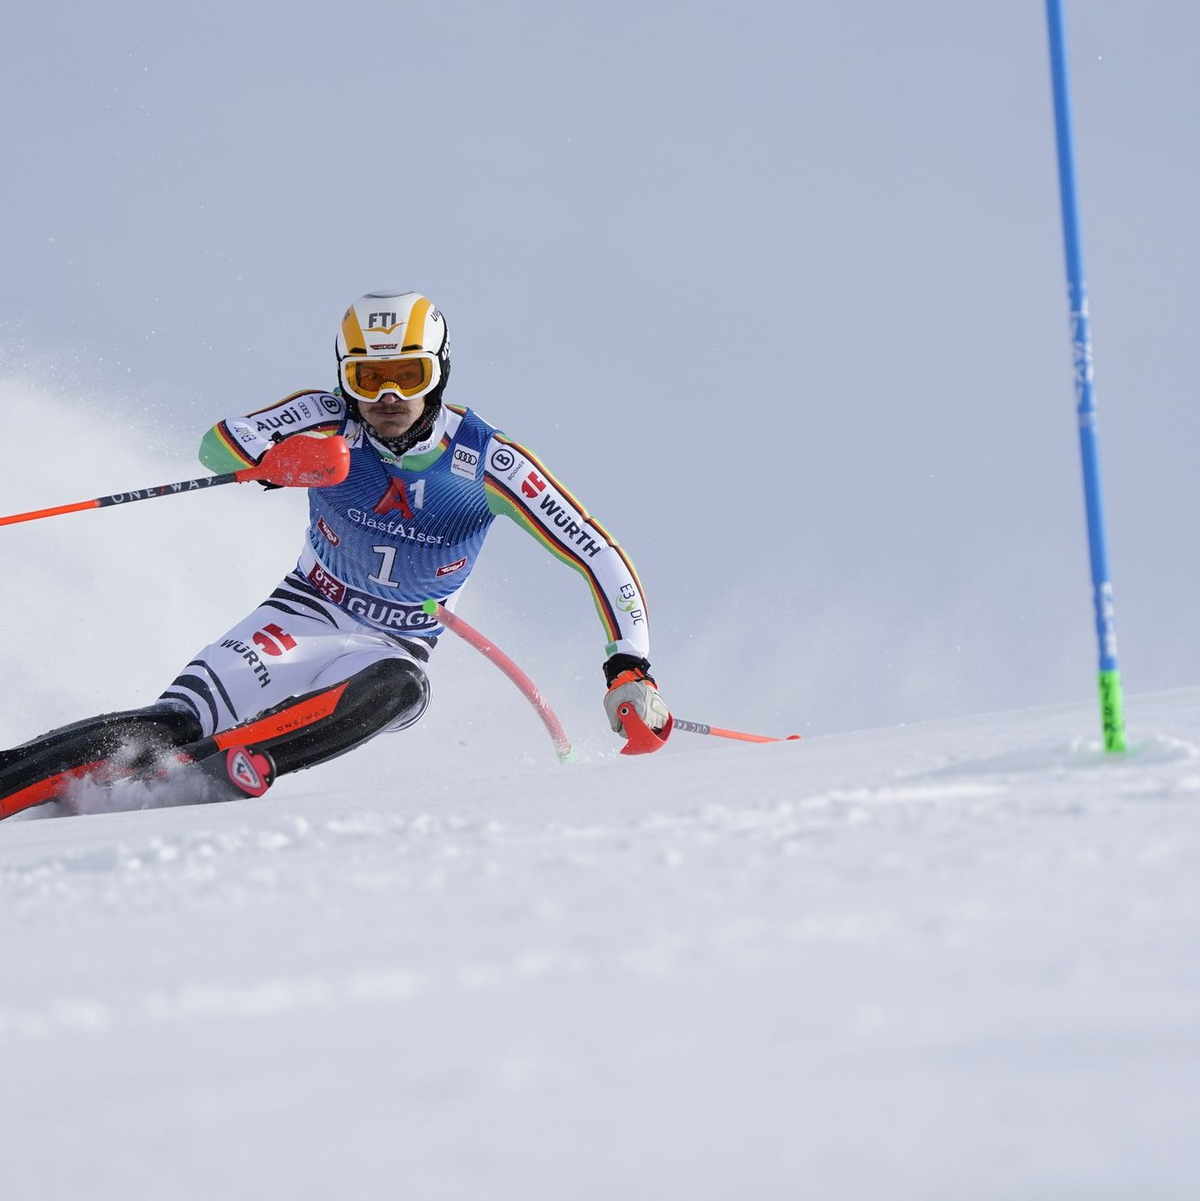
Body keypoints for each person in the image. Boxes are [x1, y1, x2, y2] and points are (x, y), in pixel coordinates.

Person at [0, 290, 671, 821]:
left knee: (403, 688)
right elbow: (215, 446)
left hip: (392, 642)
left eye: (408, 375)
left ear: (438, 372)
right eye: (368, 377)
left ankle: (239, 761)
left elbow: (595, 552)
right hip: (302, 613)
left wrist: (629, 668)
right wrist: (278, 461)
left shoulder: (488, 461)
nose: (388, 397)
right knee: (173, 721)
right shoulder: (326, 416)